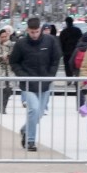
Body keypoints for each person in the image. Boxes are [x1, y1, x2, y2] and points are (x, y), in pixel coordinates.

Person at [10, 21, 62, 150]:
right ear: (28, 30)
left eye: (36, 31)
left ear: (40, 29)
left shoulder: (50, 41)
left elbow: (56, 59)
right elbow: (14, 62)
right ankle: (30, 140)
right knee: (33, 108)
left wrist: (50, 75)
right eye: (32, 32)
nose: (34, 35)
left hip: (45, 82)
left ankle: (25, 129)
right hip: (28, 83)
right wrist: (22, 75)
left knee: (39, 113)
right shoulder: (21, 43)